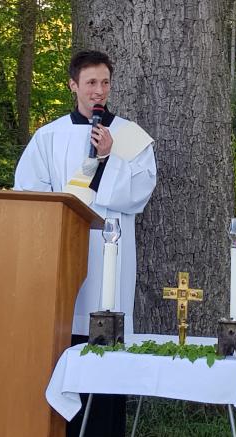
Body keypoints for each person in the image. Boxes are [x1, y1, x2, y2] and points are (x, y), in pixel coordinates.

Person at [14, 50, 157, 437]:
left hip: (111, 258)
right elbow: (28, 193)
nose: (98, 91)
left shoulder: (130, 135)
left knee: (106, 352)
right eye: (90, 82)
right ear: (73, 85)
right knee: (65, 345)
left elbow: (140, 192)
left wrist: (110, 157)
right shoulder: (49, 136)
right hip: (62, 261)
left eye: (105, 82)